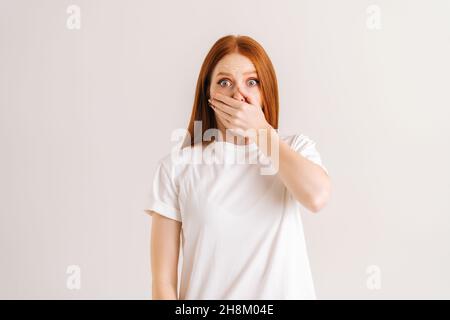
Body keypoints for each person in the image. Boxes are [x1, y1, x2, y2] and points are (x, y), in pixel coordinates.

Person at [145, 34, 331, 300]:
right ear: (208, 94)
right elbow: (163, 283)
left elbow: (317, 197)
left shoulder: (295, 149)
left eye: (251, 82)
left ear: (266, 93)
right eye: (224, 82)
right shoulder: (177, 168)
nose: (238, 94)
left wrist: (260, 132)